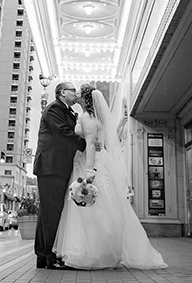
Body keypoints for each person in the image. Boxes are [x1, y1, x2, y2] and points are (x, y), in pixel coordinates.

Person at [53, 83, 167, 270]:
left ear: (86, 98)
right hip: (95, 161)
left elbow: (90, 144)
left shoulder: (87, 117)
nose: (77, 95)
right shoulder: (96, 117)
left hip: (90, 164)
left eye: (79, 93)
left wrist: (90, 172)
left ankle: (92, 252)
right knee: (102, 207)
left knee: (92, 208)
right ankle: (100, 250)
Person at [33, 82, 86, 269]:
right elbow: (63, 133)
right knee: (51, 212)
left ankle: (43, 255)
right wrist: (85, 144)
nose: (76, 93)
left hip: (57, 167)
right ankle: (48, 257)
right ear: (62, 93)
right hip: (51, 167)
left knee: (48, 212)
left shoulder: (66, 110)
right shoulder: (54, 108)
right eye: (73, 90)